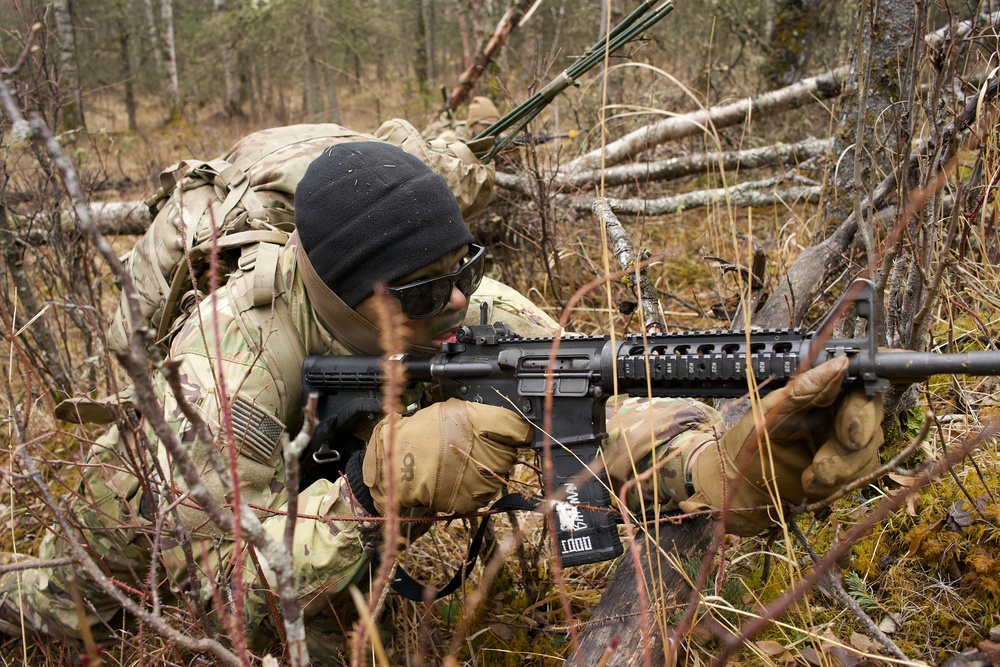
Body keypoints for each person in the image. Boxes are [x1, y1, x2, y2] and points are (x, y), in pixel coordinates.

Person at [0, 141, 883, 664]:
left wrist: (727, 462)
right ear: (352, 300)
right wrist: (369, 489)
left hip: (307, 510)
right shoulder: (228, 369)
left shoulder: (467, 309)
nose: (457, 305)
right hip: (132, 559)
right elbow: (208, 587)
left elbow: (603, 407)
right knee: (60, 603)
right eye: (424, 294)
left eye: (461, 272)